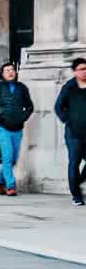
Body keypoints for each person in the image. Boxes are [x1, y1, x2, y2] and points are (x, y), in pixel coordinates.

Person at [0, 63, 35, 196]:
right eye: (7, 70)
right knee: (7, 157)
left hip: (18, 128)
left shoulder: (22, 88)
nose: (10, 72)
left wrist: (22, 118)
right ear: (2, 74)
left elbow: (30, 107)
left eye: (12, 70)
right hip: (3, 127)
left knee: (13, 159)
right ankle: (10, 186)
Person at [55, 57, 86, 206]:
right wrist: (68, 120)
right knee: (74, 162)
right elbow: (58, 107)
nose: (84, 72)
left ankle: (77, 180)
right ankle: (77, 196)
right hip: (74, 133)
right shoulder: (69, 87)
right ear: (75, 72)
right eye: (81, 69)